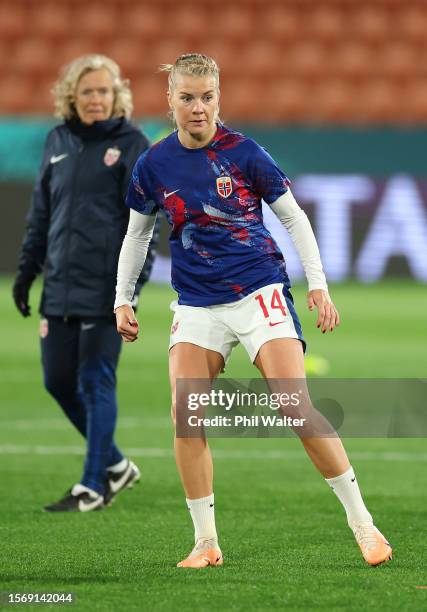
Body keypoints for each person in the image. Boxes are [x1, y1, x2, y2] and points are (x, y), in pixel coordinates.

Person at [114, 53, 392, 567]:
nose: (199, 108)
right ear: (169, 100)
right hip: (197, 301)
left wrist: (319, 286)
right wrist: (122, 298)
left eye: (208, 97)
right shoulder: (153, 164)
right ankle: (205, 542)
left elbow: (295, 218)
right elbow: (137, 234)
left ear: (220, 97)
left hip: (258, 290)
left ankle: (364, 525)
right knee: (186, 414)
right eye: (187, 97)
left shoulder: (244, 153)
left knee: (294, 406)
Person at [13, 54, 159, 512]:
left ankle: (93, 485)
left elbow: (145, 228)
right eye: (87, 91)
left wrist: (129, 291)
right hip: (58, 285)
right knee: (57, 381)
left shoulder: (133, 144)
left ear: (117, 95)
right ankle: (116, 465)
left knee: (96, 381)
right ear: (70, 96)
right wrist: (26, 271)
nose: (96, 99)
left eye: (103, 91)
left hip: (105, 288)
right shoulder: (57, 140)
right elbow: (41, 214)